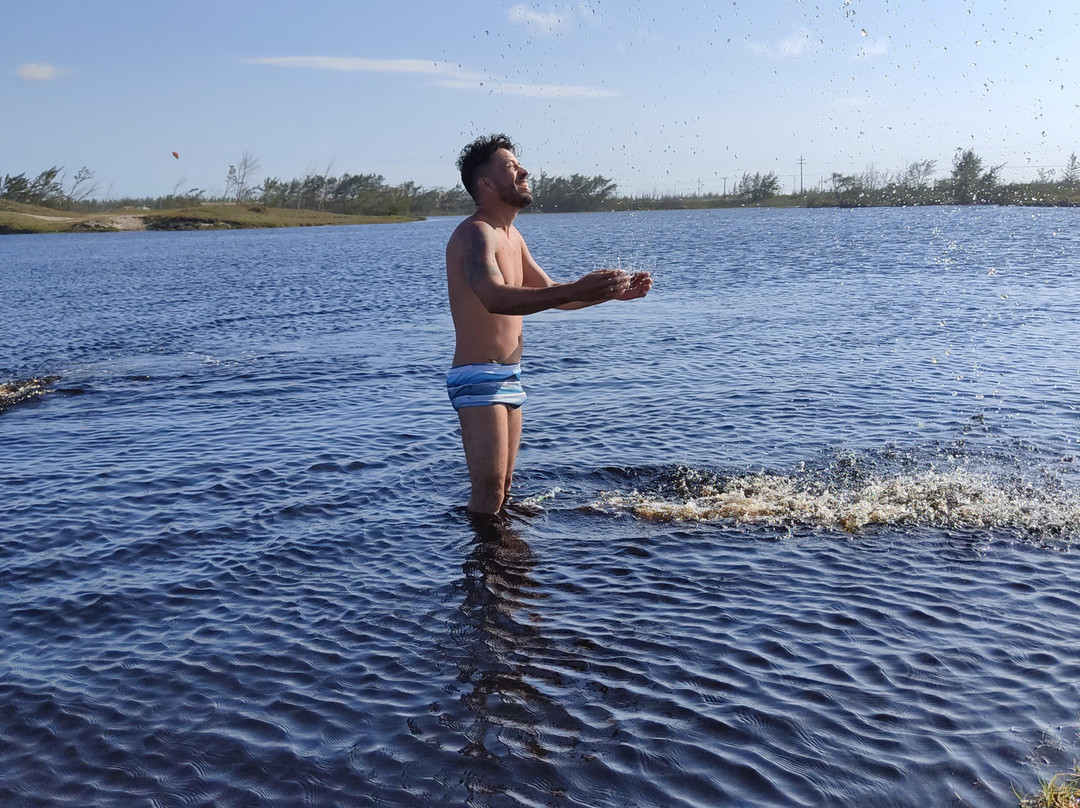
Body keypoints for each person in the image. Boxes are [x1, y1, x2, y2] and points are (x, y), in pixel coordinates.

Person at [445, 134, 652, 515]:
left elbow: (553, 292)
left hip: (510, 376)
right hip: (478, 377)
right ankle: (479, 573)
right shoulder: (477, 233)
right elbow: (494, 296)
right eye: (511, 167)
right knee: (488, 497)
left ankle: (506, 569)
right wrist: (575, 289)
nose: (524, 171)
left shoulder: (513, 236)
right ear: (485, 185)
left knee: (504, 492)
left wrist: (605, 293)